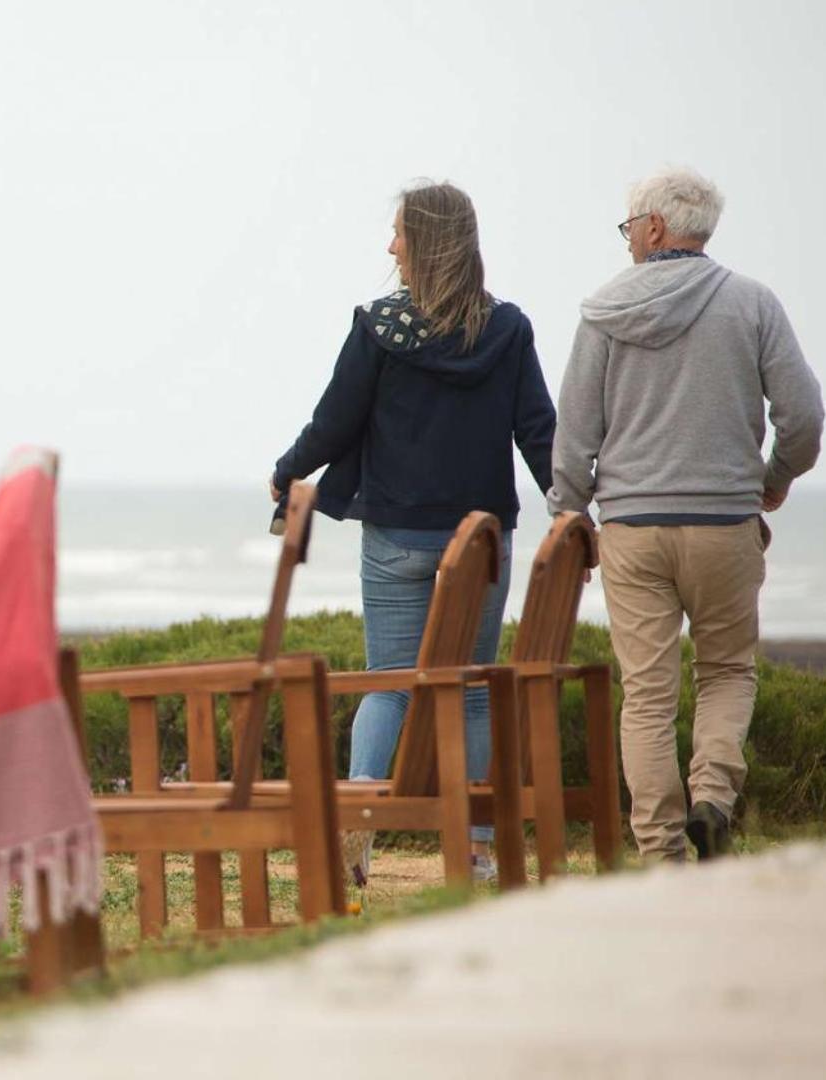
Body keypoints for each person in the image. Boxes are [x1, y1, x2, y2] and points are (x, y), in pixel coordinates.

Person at [271, 181, 556, 885]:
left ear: (424, 242)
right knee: (473, 690)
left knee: (389, 684)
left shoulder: (379, 328)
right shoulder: (506, 329)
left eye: (399, 232)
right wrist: (571, 506)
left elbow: (333, 422)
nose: (390, 245)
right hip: (480, 544)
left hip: (397, 536)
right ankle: (477, 848)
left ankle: (358, 826)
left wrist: (288, 471)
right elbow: (537, 431)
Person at [549, 167, 823, 863]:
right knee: (726, 671)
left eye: (628, 228)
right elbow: (803, 418)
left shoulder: (602, 312)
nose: (627, 240)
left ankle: (662, 854)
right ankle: (712, 799)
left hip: (632, 530)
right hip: (723, 526)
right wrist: (772, 481)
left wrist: (570, 514)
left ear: (653, 228)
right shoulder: (752, 304)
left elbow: (574, 435)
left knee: (646, 695)